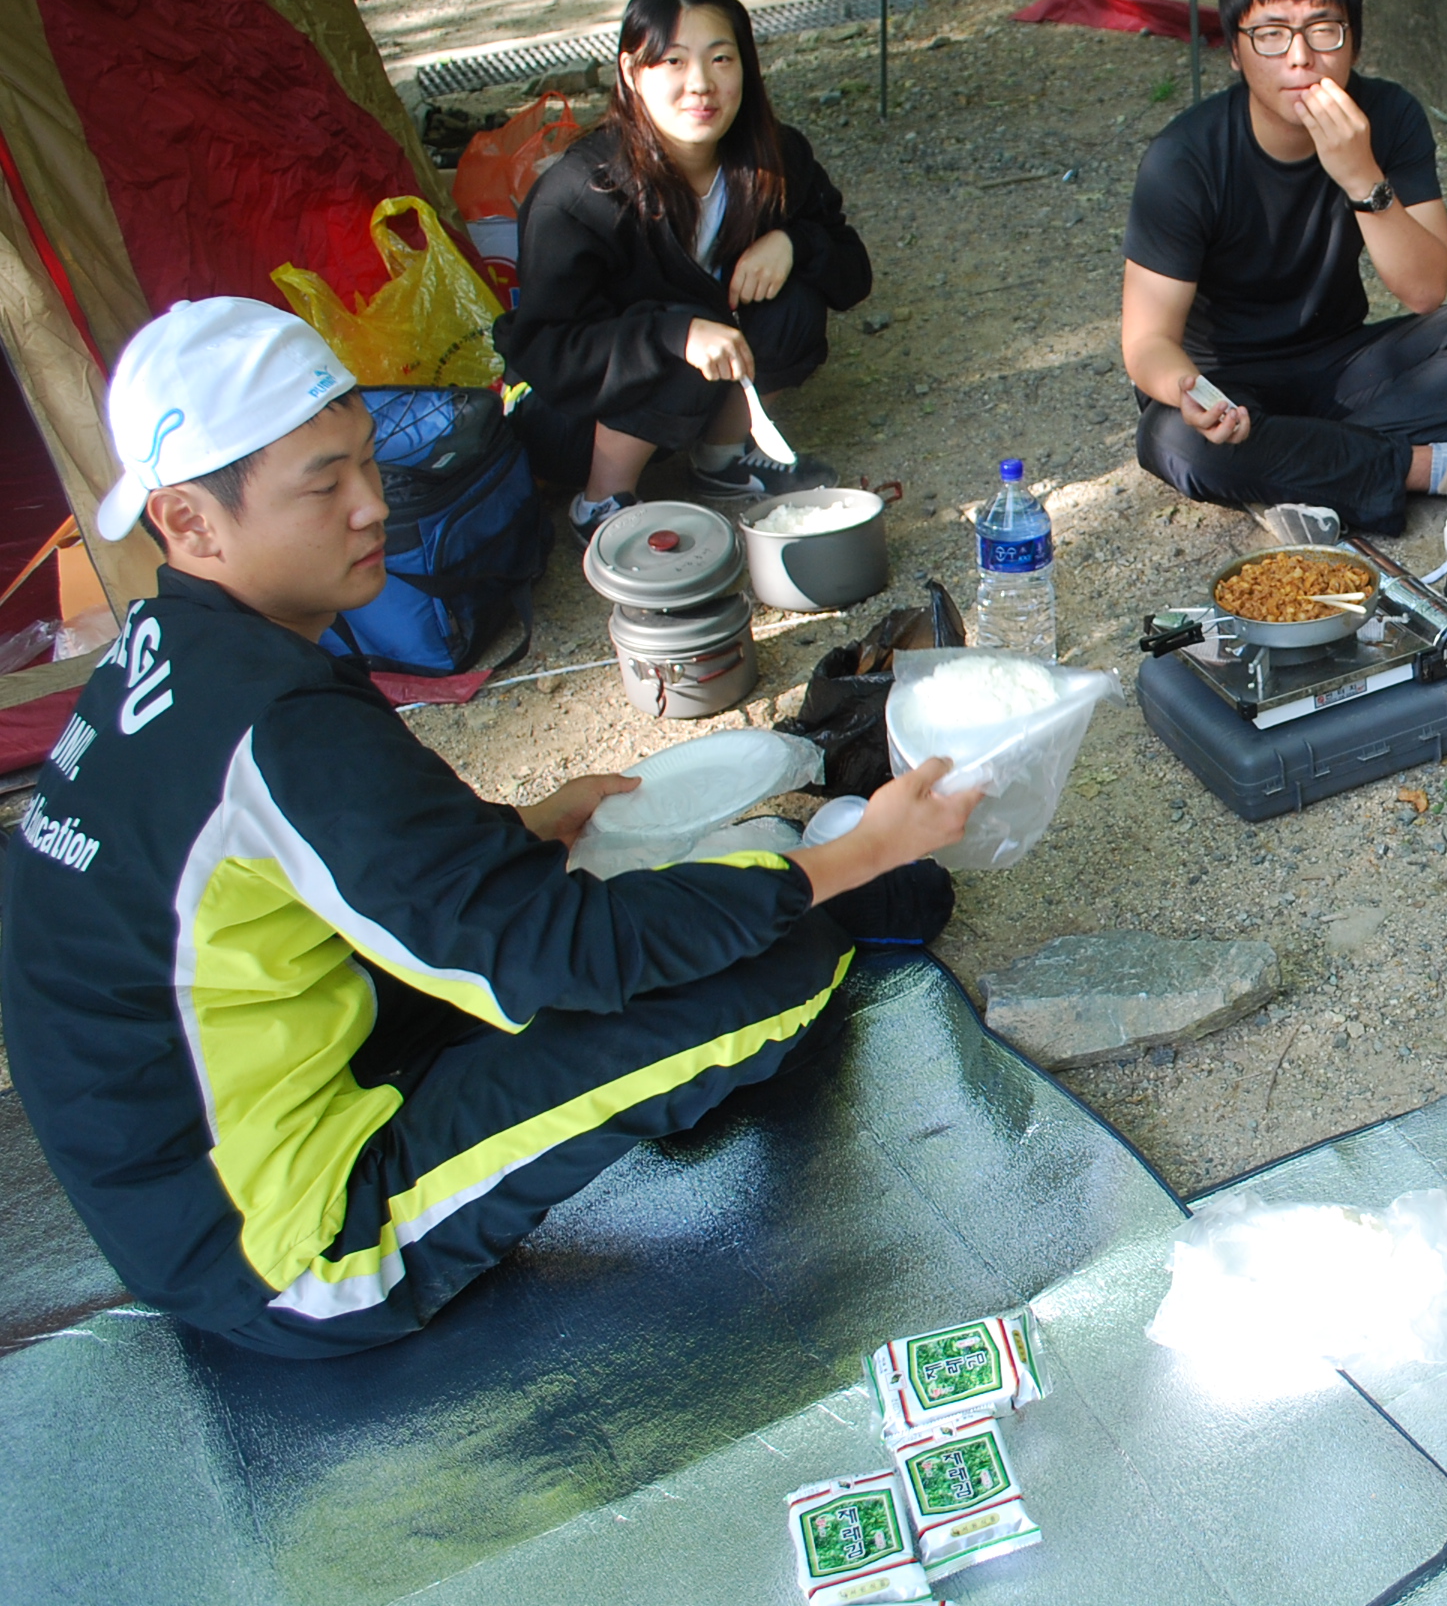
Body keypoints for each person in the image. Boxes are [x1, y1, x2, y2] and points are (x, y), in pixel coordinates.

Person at [3, 298, 975, 1356]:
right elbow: (559, 955)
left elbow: (296, 864)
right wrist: (859, 854)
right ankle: (827, 895)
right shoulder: (275, 717)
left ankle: (790, 884)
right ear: (189, 521)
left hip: (219, 1137)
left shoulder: (173, 649)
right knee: (772, 971)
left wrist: (515, 829)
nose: (372, 506)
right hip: (288, 1245)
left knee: (596, 909)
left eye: (366, 462)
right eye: (324, 486)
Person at [1121, 0, 1447, 537]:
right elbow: (1147, 341)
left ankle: (1294, 468)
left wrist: (1360, 176)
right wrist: (1188, 392)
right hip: (1229, 384)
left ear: (1354, 42)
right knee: (1172, 440)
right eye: (1271, 34)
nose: (1300, 57)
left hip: (1342, 364)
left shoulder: (1390, 116)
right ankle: (1427, 468)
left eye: (1323, 31)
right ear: (1236, 52)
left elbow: (1425, 290)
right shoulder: (1184, 159)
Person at [501, 0, 872, 542]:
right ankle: (600, 500)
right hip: (573, 418)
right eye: (673, 61)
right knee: (681, 326)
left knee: (794, 299)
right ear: (632, 72)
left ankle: (721, 459)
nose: (701, 84)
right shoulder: (578, 196)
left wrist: (793, 243)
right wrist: (674, 334)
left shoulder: (775, 160)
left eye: (721, 59)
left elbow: (852, 272)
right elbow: (548, 350)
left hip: (686, 397)